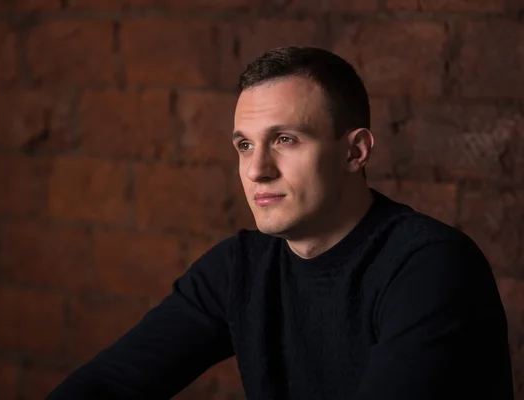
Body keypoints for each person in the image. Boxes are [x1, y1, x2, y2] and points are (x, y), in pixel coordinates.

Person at [46, 46, 514, 399]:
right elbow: (110, 383)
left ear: (355, 151)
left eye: (285, 139)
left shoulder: (430, 267)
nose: (256, 170)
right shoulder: (239, 269)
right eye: (245, 145)